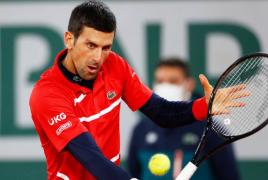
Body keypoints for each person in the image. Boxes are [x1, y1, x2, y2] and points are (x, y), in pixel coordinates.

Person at [29, 1, 244, 179]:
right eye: (90, 45)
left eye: (106, 47)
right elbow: (89, 156)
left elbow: (161, 112)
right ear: (69, 40)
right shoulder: (47, 94)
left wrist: (201, 106)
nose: (98, 58)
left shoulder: (115, 66)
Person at [127, 58, 241, 180]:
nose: (165, 86)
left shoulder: (211, 130)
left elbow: (229, 175)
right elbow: (133, 173)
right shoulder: (141, 129)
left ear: (189, 84)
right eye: (160, 81)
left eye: (173, 81)